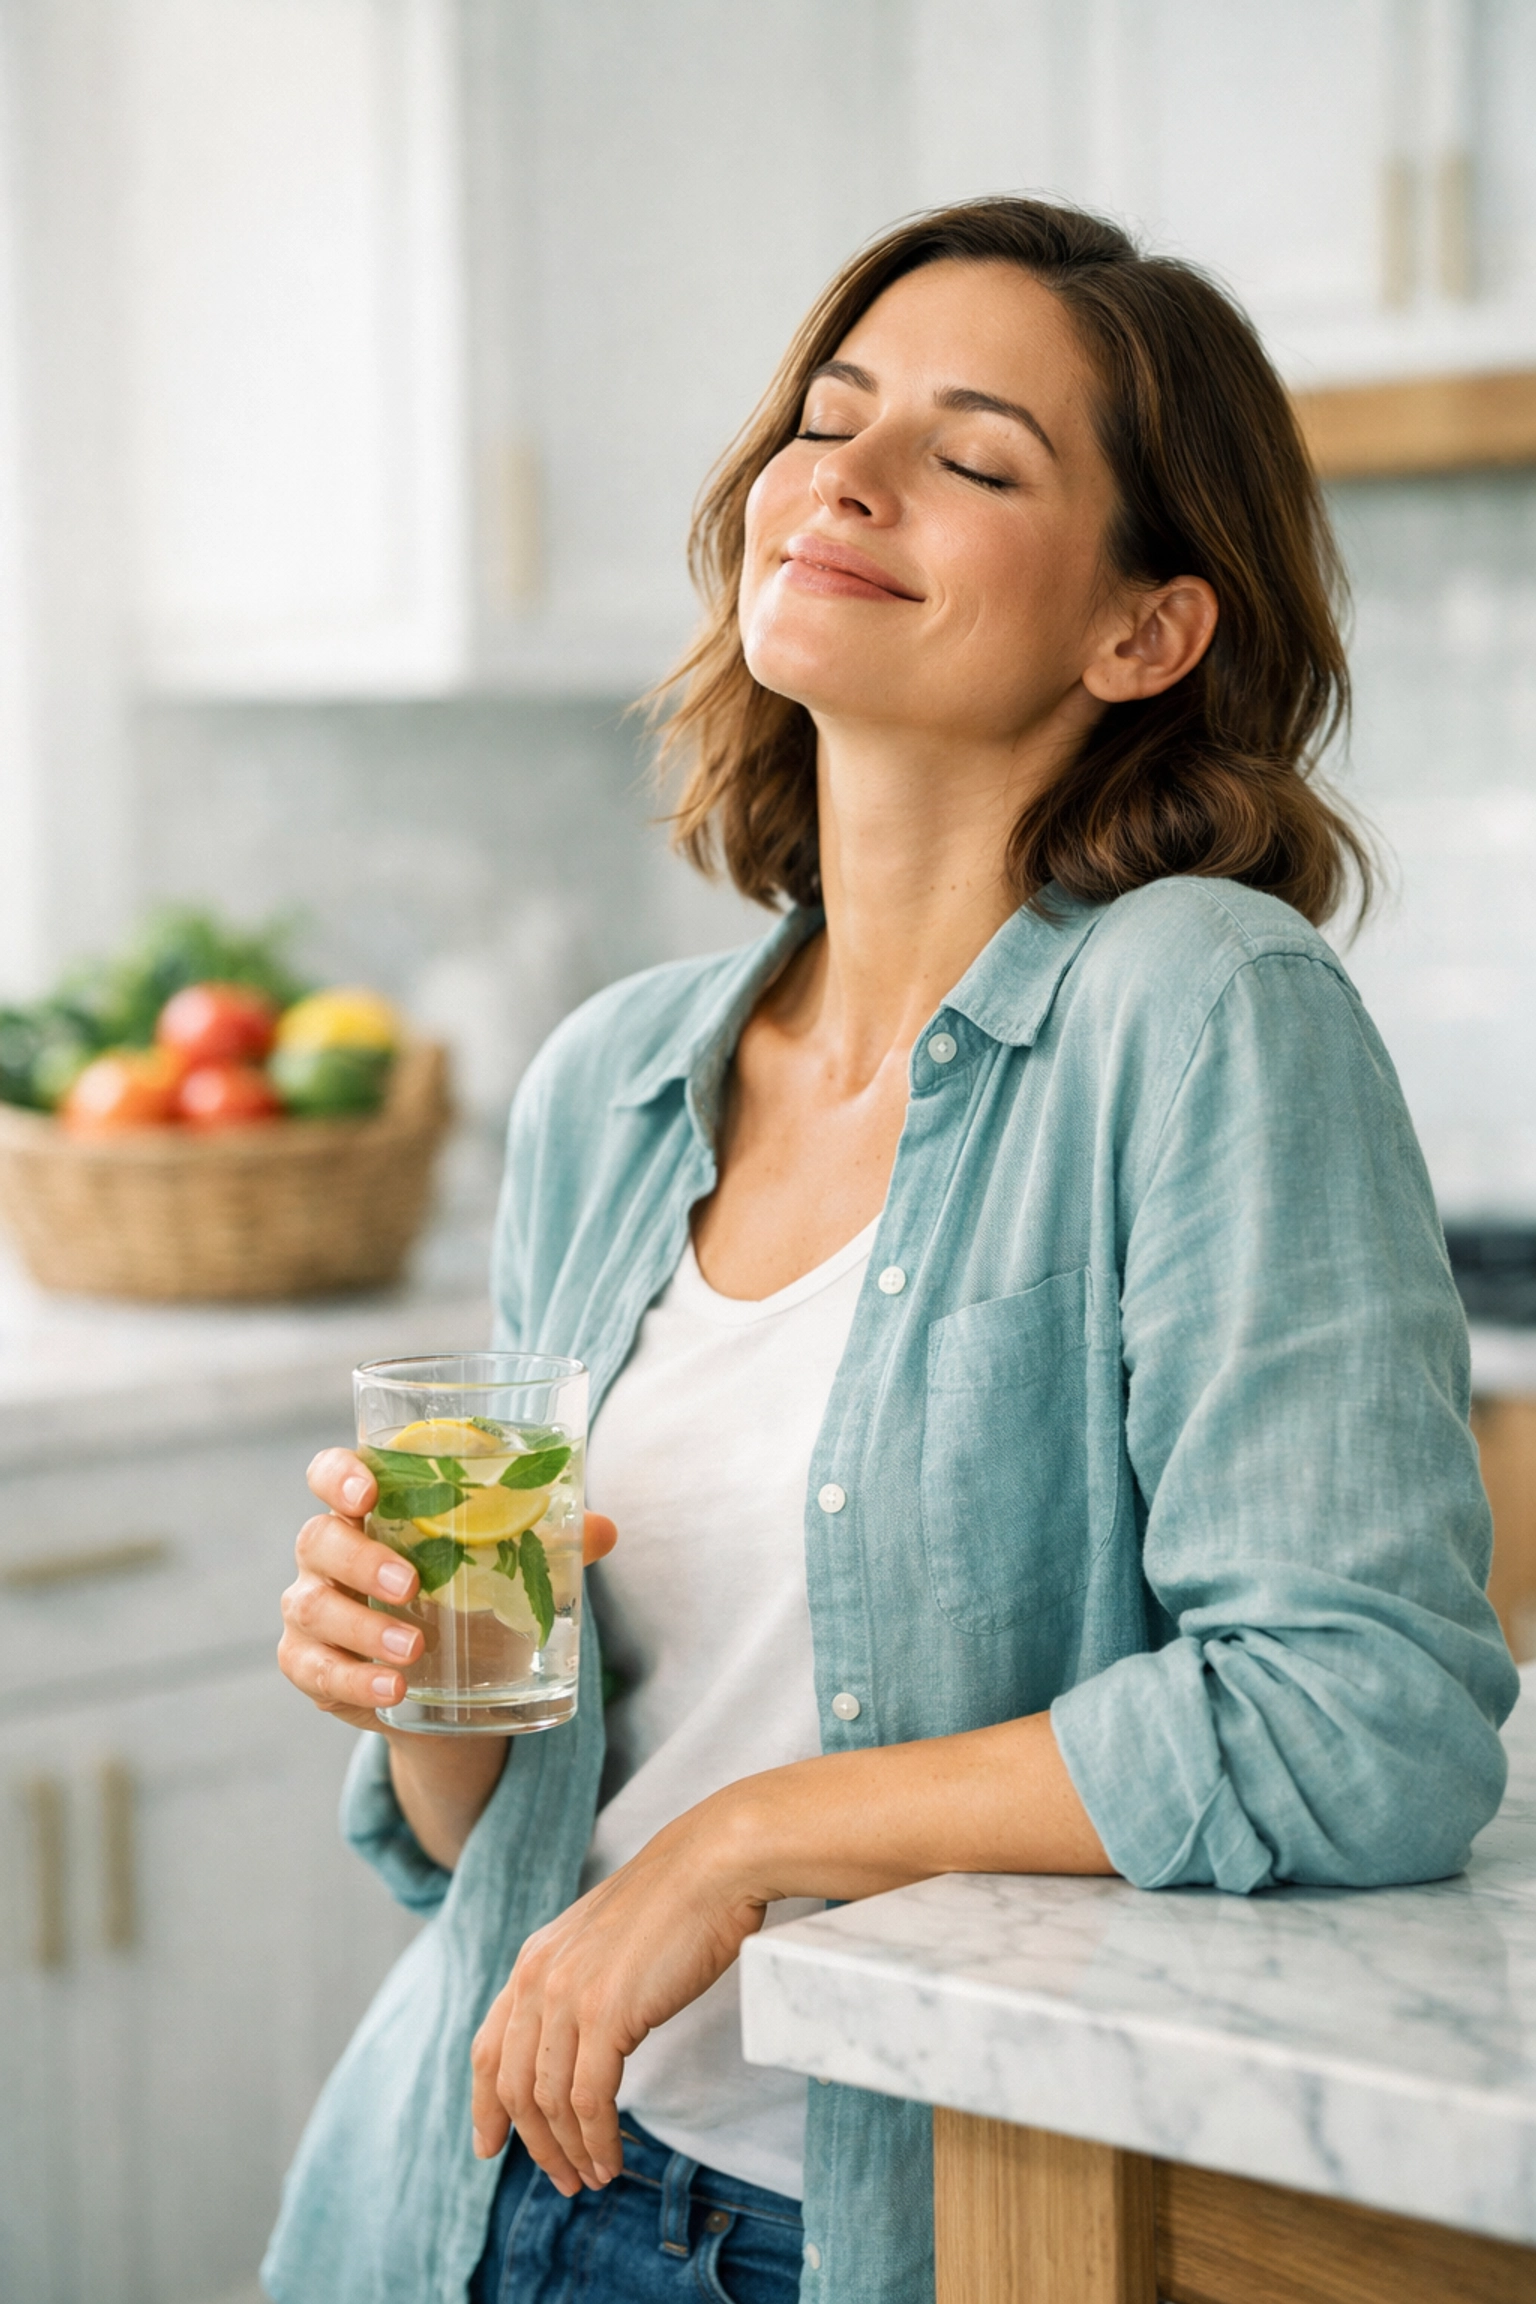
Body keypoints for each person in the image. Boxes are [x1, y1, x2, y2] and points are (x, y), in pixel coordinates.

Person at [265, 199, 1517, 2304]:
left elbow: (1360, 1715)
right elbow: (507, 1838)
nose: (841, 475)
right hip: (466, 2190)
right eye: (828, 420)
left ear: (1146, 634)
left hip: (857, 2235)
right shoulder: (613, 1081)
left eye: (975, 455)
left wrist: (745, 1845)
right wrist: (418, 1683)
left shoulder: (1196, 1007)